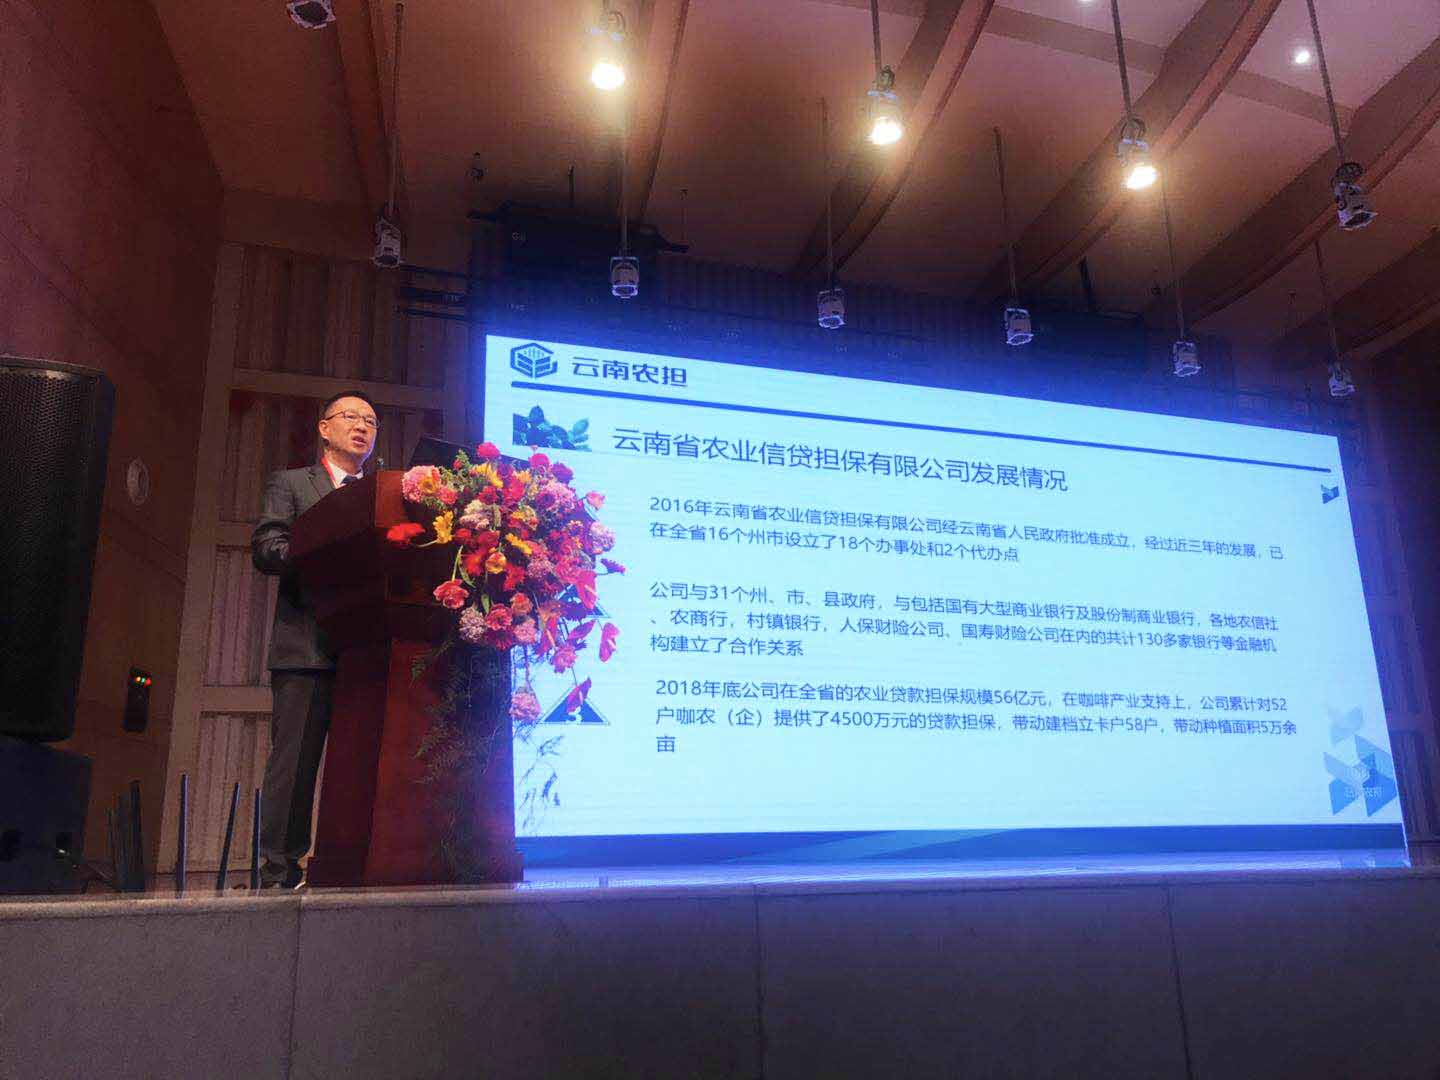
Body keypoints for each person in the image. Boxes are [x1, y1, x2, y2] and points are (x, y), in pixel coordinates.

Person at [250, 391, 379, 888]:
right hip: (306, 649)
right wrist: (328, 551)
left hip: (365, 654)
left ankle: (348, 866)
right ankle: (278, 871)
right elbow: (268, 548)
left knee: (360, 768)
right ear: (324, 429)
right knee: (295, 767)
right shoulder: (291, 483)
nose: (362, 427)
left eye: (371, 421)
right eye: (351, 417)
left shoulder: (381, 495)